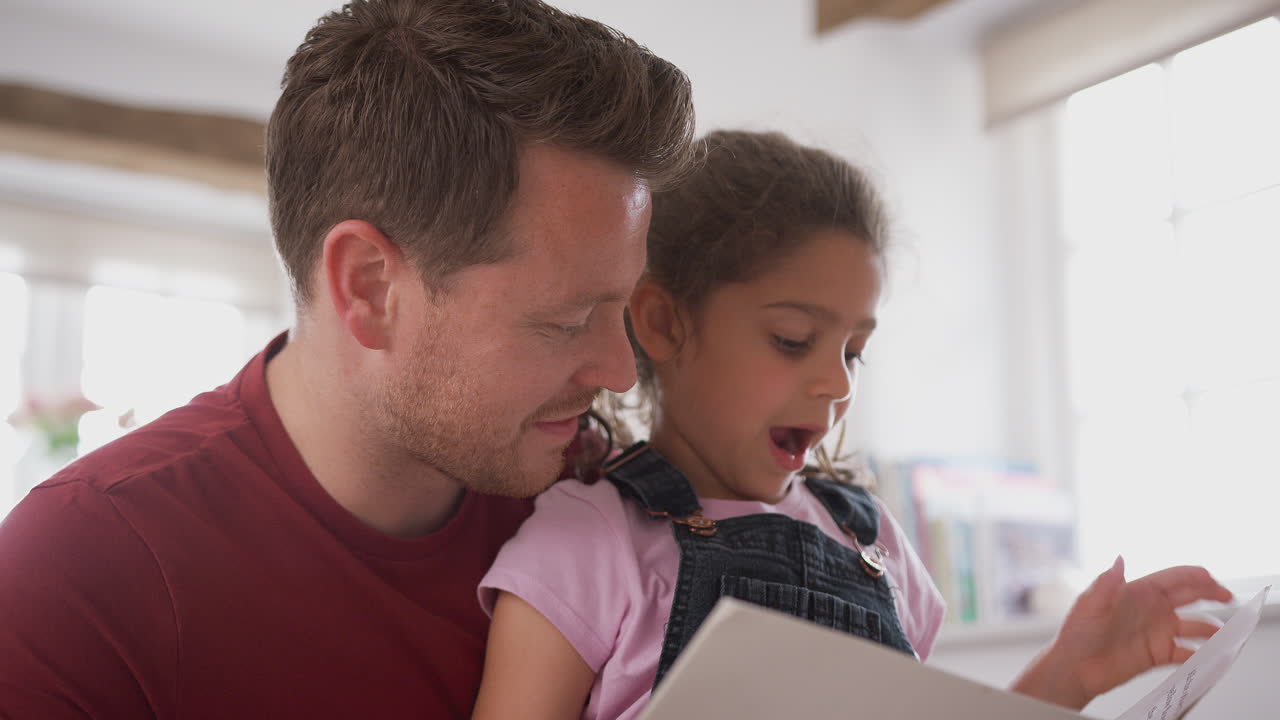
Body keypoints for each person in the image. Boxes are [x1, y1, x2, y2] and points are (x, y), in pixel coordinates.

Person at [0, 1, 696, 717]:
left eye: (621, 312)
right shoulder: (78, 571)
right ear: (370, 287)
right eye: (566, 321)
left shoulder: (604, 511)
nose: (619, 371)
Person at [472, 130, 1234, 720]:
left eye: (855, 352)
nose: (835, 382)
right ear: (666, 322)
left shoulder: (875, 545)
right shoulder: (585, 543)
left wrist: (1069, 675)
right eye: (793, 340)